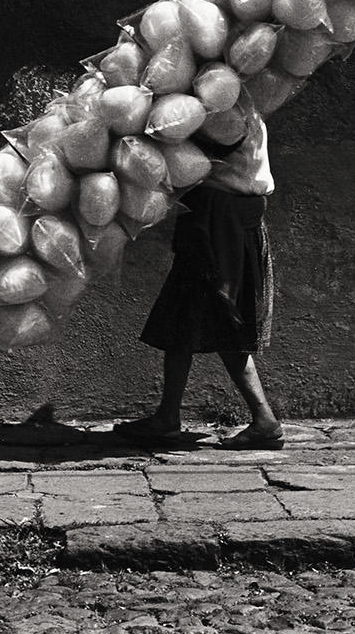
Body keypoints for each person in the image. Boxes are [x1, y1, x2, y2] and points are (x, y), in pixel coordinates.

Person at [113, 94, 284, 450]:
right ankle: (168, 416)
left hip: (220, 219)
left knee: (223, 316)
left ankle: (263, 418)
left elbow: (180, 148)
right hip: (219, 215)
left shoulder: (227, 113)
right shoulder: (236, 104)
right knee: (183, 318)